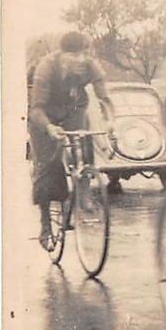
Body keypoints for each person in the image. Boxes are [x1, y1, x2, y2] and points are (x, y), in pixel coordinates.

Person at [28, 31, 115, 248]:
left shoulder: (90, 64)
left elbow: (104, 97)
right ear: (65, 55)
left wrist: (110, 122)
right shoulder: (46, 67)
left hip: (74, 108)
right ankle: (46, 223)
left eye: (87, 53)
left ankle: (82, 196)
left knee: (84, 143)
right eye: (79, 55)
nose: (84, 59)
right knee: (49, 165)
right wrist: (49, 127)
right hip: (45, 116)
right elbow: (36, 108)